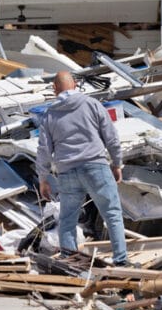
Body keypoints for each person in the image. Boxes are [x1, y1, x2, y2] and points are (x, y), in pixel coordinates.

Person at [35, 71, 129, 266]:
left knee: (68, 218)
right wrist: (117, 163)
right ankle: (120, 260)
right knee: (111, 213)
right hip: (95, 166)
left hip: (67, 171)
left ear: (54, 89)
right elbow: (111, 137)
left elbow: (44, 150)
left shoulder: (50, 114)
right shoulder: (92, 104)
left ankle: (69, 260)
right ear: (76, 85)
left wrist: (43, 178)